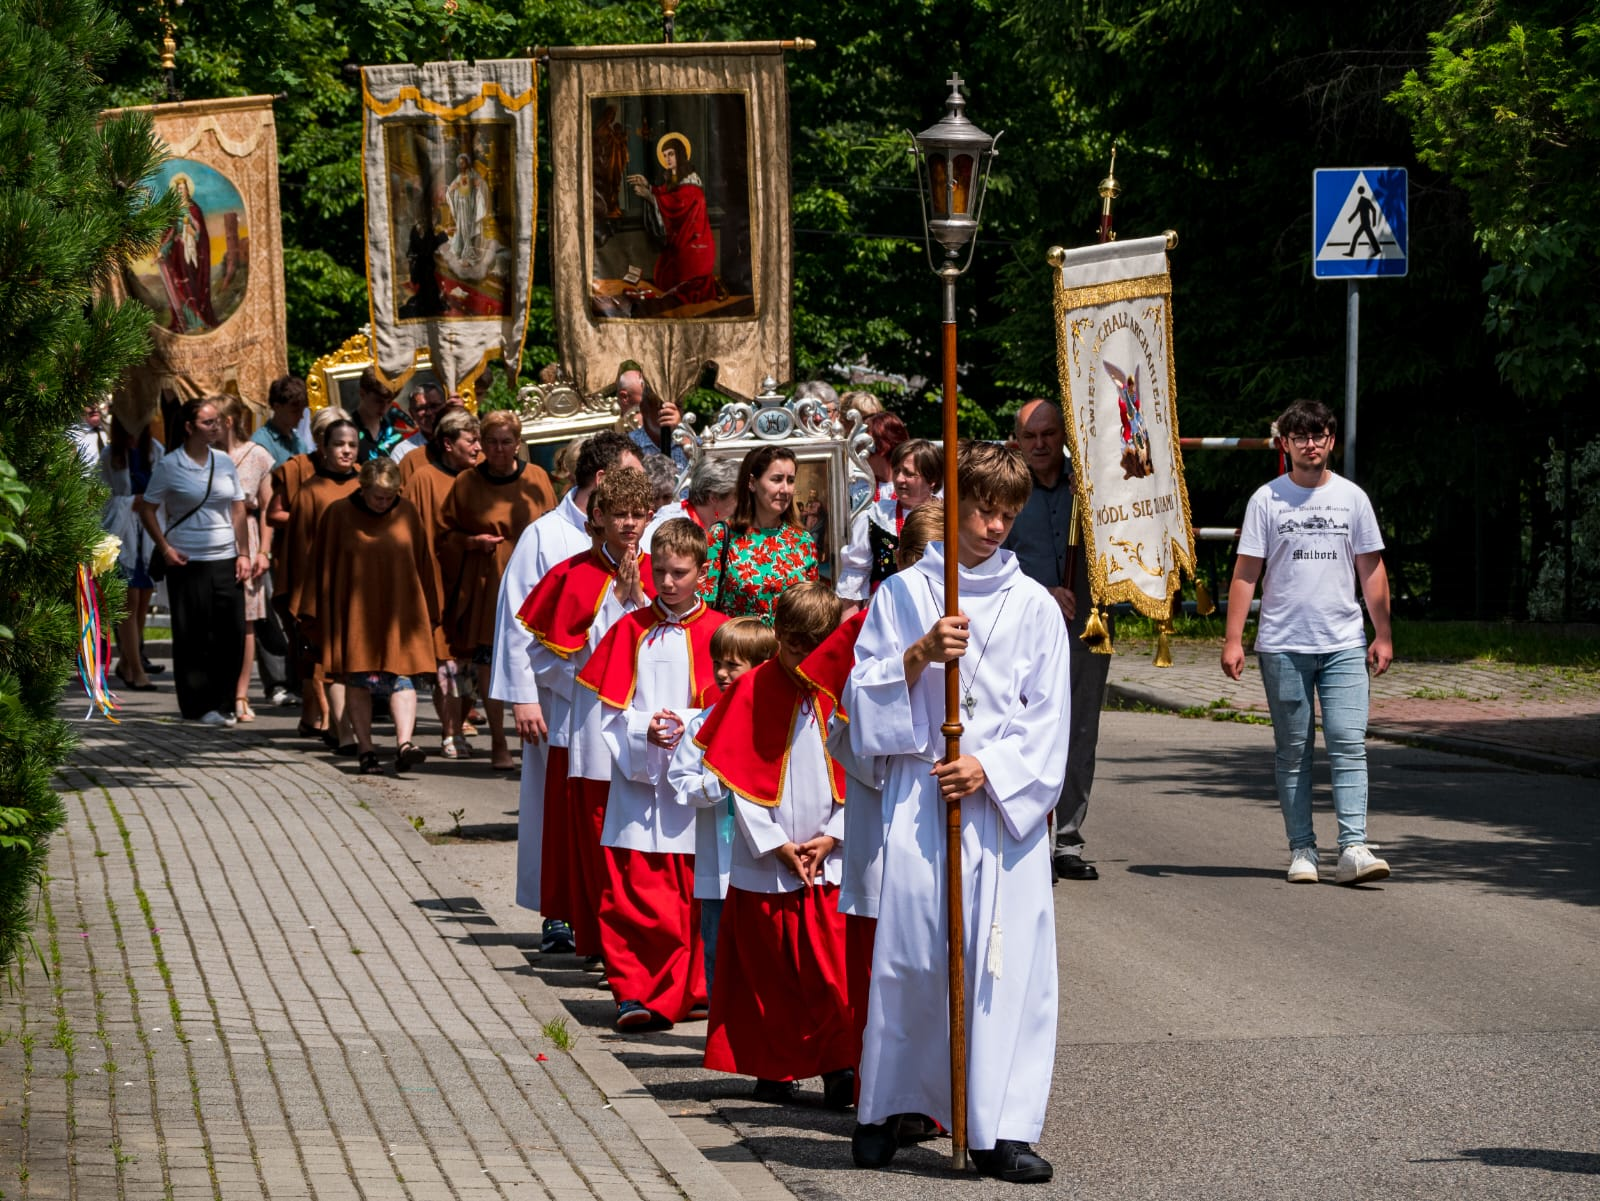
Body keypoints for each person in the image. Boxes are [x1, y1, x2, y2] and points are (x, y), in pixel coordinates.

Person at [849, 441, 1070, 1183]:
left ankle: (998, 1127)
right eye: (982, 510)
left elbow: (1049, 718)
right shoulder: (905, 594)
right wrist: (918, 655)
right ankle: (889, 1106)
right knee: (913, 954)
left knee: (1002, 965)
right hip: (922, 796)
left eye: (1009, 513)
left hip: (999, 811)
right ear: (955, 504)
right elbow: (860, 696)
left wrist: (990, 767)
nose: (995, 526)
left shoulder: (1035, 606)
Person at [694, 583, 857, 1109]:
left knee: (831, 971)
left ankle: (838, 1066)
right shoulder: (751, 688)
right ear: (778, 636)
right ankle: (773, 1067)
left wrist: (834, 835)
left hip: (828, 858)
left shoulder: (845, 686)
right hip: (766, 860)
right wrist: (775, 843)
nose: (802, 660)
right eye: (792, 648)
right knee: (767, 972)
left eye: (814, 649)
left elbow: (864, 774)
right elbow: (737, 779)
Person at [1222, 398, 1393, 885]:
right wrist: (1234, 639)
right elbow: (1246, 573)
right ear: (1286, 444)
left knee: (1347, 742)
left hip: (1343, 642)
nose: (1310, 444)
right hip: (1283, 644)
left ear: (1331, 441)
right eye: (1300, 437)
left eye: (1318, 436)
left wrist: (1382, 633)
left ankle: (1353, 847)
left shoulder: (1352, 499)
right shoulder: (1266, 500)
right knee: (1293, 750)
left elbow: (1371, 569)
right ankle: (1303, 850)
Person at [490, 432, 642, 954]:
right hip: (563, 702)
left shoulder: (640, 545)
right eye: (629, 477)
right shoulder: (545, 535)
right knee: (556, 810)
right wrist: (523, 696)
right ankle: (558, 911)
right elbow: (520, 623)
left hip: (623, 708)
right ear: (603, 481)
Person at [577, 517, 726, 1029]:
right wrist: (644, 729)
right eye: (658, 570)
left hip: (694, 783)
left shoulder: (720, 632)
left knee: (691, 894)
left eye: (678, 572)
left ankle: (691, 989)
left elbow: (731, 705)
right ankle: (633, 991)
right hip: (638, 784)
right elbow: (608, 713)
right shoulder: (629, 629)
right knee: (631, 891)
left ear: (702, 572)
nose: (666, 582)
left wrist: (686, 725)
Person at [1002, 398, 1110, 882]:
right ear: (1017, 440)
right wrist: (1040, 592)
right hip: (1020, 630)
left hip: (1087, 625)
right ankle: (1028, 838)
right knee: (1023, 731)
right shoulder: (1005, 487)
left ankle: (1067, 839)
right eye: (1030, 436)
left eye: (1048, 434)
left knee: (1079, 732)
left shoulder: (1090, 484)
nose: (1040, 444)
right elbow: (988, 556)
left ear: (1063, 435)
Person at [303, 458, 440, 777]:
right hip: (355, 613)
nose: (384, 502)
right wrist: (317, 614)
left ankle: (405, 744)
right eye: (378, 496)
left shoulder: (406, 512)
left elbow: (423, 560)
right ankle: (366, 750)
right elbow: (321, 566)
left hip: (400, 610)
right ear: (363, 488)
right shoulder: (338, 514)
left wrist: (430, 609)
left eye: (391, 496)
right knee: (358, 678)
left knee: (403, 675)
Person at [437, 408, 556, 769]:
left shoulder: (536, 477)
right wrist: (471, 542)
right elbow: (445, 534)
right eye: (491, 442)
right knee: (490, 661)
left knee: (535, 657)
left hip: (535, 580)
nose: (499, 449)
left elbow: (555, 526)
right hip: (488, 581)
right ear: (481, 443)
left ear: (518, 443)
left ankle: (534, 740)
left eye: (506, 442)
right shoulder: (466, 482)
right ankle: (499, 740)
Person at [667, 616, 777, 997]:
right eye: (717, 664)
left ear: (761, 666)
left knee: (763, 957)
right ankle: (719, 1026)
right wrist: (718, 783)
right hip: (718, 867)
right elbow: (680, 781)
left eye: (733, 665)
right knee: (717, 951)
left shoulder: (778, 720)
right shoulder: (703, 723)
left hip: (767, 863)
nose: (721, 673)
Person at [136, 397, 250, 726]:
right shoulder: (170, 465)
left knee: (231, 633)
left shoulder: (224, 461)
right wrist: (165, 548)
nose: (216, 427)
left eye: (218, 421)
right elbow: (147, 509)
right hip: (188, 559)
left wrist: (243, 552)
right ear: (189, 427)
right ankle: (197, 705)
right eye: (207, 422)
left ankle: (224, 702)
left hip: (225, 556)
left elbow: (238, 508)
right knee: (193, 634)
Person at [267, 405, 351, 736]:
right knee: (310, 642)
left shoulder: (356, 474)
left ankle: (313, 715)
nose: (343, 447)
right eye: (331, 437)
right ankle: (324, 715)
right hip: (304, 564)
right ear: (318, 438)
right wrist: (313, 518)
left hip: (346, 572)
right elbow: (274, 514)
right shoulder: (296, 470)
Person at [402, 408, 481, 757]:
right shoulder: (423, 479)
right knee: (447, 663)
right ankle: (450, 732)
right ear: (448, 444)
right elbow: (410, 533)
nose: (478, 448)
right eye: (471, 441)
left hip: (475, 584)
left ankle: (461, 724)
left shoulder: (479, 478)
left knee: (470, 665)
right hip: (437, 583)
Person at [285, 418, 363, 750]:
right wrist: (305, 598)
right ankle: (339, 726)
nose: (346, 451)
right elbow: (301, 550)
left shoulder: (367, 485)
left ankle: (353, 728)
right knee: (329, 661)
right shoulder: (311, 491)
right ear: (324, 448)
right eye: (339, 444)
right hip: (327, 591)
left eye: (352, 445)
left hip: (364, 590)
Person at [701, 445, 819, 623]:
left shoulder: (803, 541)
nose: (785, 489)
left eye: (790, 480)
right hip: (738, 640)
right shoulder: (722, 536)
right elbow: (704, 606)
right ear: (752, 482)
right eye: (776, 479)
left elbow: (813, 609)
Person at [214, 395, 276, 722]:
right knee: (213, 617)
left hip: (246, 537)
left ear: (228, 421)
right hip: (212, 533)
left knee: (246, 619)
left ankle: (241, 692)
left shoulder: (257, 455)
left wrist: (263, 550)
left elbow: (267, 508)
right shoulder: (205, 455)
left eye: (213, 421)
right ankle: (216, 691)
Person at [838, 438, 942, 608]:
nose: (899, 479)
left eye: (909, 473)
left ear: (932, 479)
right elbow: (855, 576)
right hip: (886, 611)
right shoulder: (875, 517)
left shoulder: (950, 518)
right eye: (896, 471)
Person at [101, 415, 164, 691]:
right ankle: (138, 671)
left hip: (148, 534)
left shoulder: (156, 451)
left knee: (142, 601)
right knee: (129, 599)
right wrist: (129, 502)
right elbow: (100, 496)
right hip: (122, 534)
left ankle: (127, 661)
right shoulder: (109, 455)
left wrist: (148, 502)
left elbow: (164, 489)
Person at [626, 135, 717, 306]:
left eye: (671, 154)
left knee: (675, 277)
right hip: (682, 240)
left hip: (694, 244)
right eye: (665, 155)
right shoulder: (675, 178)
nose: (667, 159)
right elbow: (666, 193)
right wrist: (648, 186)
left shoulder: (691, 185)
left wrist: (650, 197)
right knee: (663, 273)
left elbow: (676, 203)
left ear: (680, 154)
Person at [643, 454, 738, 546]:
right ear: (714, 498)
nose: (741, 502)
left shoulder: (724, 527)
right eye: (736, 496)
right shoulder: (668, 526)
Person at [618, 368, 688, 469]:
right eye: (661, 406)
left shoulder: (694, 443)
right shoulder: (627, 446)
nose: (670, 413)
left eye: (677, 406)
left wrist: (683, 437)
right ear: (644, 408)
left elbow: (705, 470)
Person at [352, 368, 417, 464]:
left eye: (389, 402)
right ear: (362, 394)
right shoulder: (345, 432)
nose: (384, 407)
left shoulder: (395, 437)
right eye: (378, 401)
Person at [251, 375, 310, 468]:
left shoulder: (300, 444)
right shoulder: (260, 444)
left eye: (302, 411)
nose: (301, 416)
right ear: (277, 407)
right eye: (295, 411)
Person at [390, 381, 448, 463]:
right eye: (421, 408)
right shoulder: (402, 452)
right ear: (412, 414)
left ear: (446, 406)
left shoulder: (462, 438)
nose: (429, 413)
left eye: (434, 406)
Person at [863, 412, 908, 504]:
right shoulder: (859, 485)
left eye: (863, 443)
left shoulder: (915, 486)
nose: (857, 451)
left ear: (883, 445)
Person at [69, 403, 107, 475]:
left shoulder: (110, 430)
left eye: (97, 402)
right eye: (88, 403)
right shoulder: (73, 434)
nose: (94, 407)